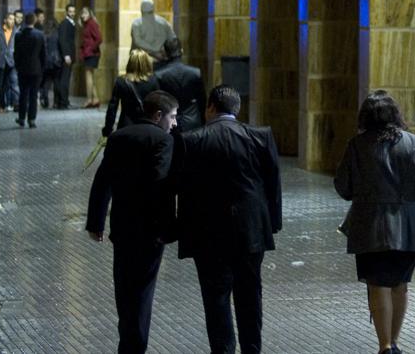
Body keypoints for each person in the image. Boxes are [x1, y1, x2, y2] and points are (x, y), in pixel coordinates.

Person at [335, 90, 415, 354]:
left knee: (378, 284)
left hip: (369, 228)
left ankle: (384, 345)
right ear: (395, 115)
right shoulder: (412, 142)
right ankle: (395, 342)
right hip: (407, 227)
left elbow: (343, 187)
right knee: (400, 285)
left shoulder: (357, 145)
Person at [175, 86, 281, 354]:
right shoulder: (259, 136)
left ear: (210, 107)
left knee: (216, 299)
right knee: (250, 295)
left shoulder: (192, 140)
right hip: (251, 231)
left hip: (208, 233)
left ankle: (223, 350)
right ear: (238, 109)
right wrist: (273, 223)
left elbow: (183, 190)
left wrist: (182, 231)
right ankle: (251, 349)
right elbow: (273, 184)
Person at [87, 89, 179, 354]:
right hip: (150, 230)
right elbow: (159, 184)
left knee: (124, 288)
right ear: (158, 115)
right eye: (172, 117)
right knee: (143, 291)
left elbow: (102, 181)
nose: (174, 123)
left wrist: (96, 222)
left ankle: (127, 339)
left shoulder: (119, 137)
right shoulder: (163, 140)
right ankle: (134, 346)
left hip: (122, 226)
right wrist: (167, 226)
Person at [103, 49, 160, 137]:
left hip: (126, 125)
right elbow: (158, 105)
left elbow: (112, 108)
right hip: (147, 126)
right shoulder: (153, 81)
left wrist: (108, 129)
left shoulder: (121, 81)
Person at [154, 37, 206, 132]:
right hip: (193, 120)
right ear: (182, 51)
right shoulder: (195, 72)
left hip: (168, 121)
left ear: (165, 53)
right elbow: (202, 100)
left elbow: (158, 103)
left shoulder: (159, 75)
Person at [12, 12, 47, 129]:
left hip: (22, 69)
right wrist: (42, 68)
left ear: (25, 21)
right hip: (36, 69)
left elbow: (16, 54)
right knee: (33, 95)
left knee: (23, 94)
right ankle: (32, 119)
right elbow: (43, 54)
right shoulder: (40, 35)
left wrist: (17, 66)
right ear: (35, 21)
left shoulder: (18, 35)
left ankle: (21, 118)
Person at [130, 0, 175, 67]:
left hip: (141, 64)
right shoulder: (163, 22)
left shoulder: (136, 24)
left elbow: (138, 41)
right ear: (153, 9)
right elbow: (173, 40)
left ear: (141, 10)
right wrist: (157, 51)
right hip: (158, 61)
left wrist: (154, 51)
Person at [79, 6, 103, 108]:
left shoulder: (92, 23)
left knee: (88, 76)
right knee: (90, 76)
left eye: (85, 13)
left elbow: (99, 38)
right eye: (82, 13)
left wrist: (90, 49)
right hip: (88, 53)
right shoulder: (86, 25)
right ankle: (95, 98)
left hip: (92, 54)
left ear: (89, 14)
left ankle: (89, 99)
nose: (83, 15)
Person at [55, 4, 76, 109]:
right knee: (64, 79)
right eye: (70, 11)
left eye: (73, 11)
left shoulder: (71, 23)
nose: (72, 13)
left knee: (65, 79)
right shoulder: (65, 24)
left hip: (69, 55)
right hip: (66, 56)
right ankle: (63, 102)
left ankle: (64, 101)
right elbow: (63, 40)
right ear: (66, 12)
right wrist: (66, 55)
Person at [0, 13, 18, 112]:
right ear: (5, 20)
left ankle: (15, 103)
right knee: (0, 84)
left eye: (13, 19)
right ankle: (0, 105)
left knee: (11, 83)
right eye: (10, 19)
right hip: (0, 61)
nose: (12, 21)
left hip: (11, 61)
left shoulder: (16, 32)